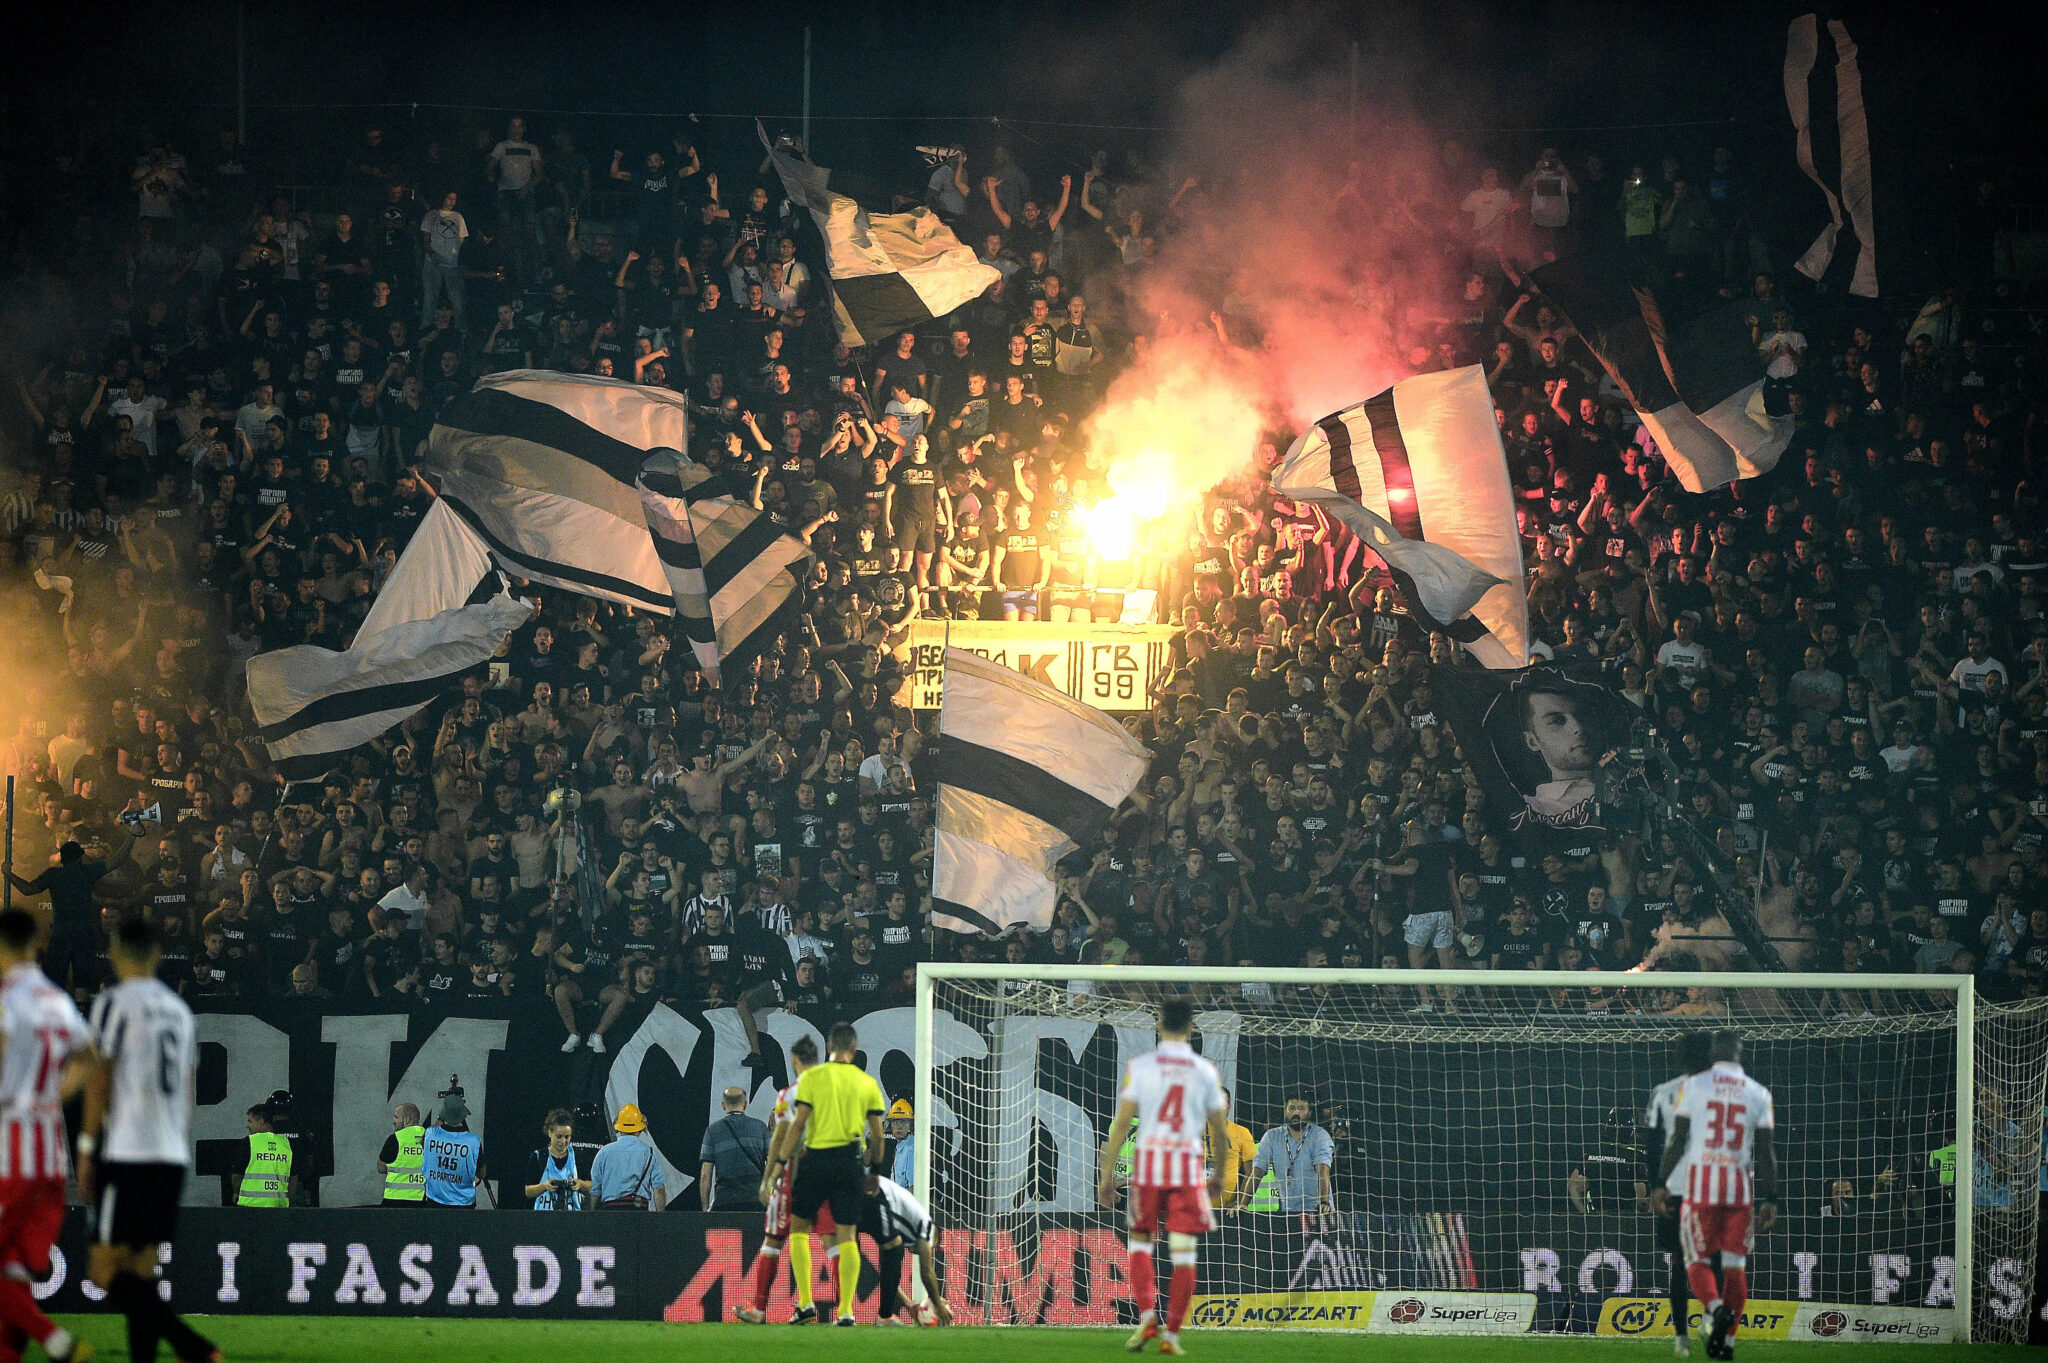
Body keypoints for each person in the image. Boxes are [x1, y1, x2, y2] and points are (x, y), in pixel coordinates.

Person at [78, 917, 217, 1363]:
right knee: (142, 1269)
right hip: (170, 1154)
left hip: (129, 1152)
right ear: (157, 955)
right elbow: (188, 1087)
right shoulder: (179, 1010)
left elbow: (99, 1079)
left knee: (103, 1272)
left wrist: (85, 1149)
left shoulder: (112, 1003)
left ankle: (193, 1347)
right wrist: (179, 1143)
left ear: (115, 956)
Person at [1095, 997, 1227, 1356]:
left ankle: (1147, 1314)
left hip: (1149, 1166)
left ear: (1157, 1025)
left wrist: (1106, 1177)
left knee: (1140, 1243)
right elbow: (1219, 1129)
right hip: (1186, 1168)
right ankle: (1172, 1335)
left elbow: (1121, 1125)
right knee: (1184, 1254)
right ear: (1191, 1028)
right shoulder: (1204, 1070)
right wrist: (1219, 1173)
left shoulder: (1140, 1067)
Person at [0, 907, 93, 1363]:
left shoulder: (5, 998)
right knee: (13, 1272)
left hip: (10, 1154)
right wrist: (49, 1097)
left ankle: (55, 1339)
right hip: (50, 1159)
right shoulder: (55, 998)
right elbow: (87, 1055)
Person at [1655, 1030, 1778, 1362]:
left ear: (1713, 1053)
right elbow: (1766, 1153)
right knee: (1735, 1268)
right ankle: (1727, 1344)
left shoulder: (1693, 1087)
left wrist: (1660, 1182)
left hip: (1701, 1190)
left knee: (1695, 1260)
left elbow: (1678, 1140)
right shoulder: (1759, 1093)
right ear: (1740, 1053)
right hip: (1740, 1191)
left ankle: (1714, 1308)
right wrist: (1773, 1198)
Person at [781, 1021, 887, 1327]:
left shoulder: (813, 1077)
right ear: (854, 1049)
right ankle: (845, 1311)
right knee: (847, 1237)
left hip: (816, 1160)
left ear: (829, 1047)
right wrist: (875, 1171)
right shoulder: (866, 1082)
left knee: (799, 1230)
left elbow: (799, 1124)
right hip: (848, 1160)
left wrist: (780, 1164)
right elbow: (878, 1135)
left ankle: (804, 1303)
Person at [740, 1035, 828, 1325]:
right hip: (831, 1170)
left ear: (794, 1061)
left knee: (775, 1238)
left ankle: (760, 1308)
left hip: (796, 1171)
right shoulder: (836, 1093)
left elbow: (781, 1137)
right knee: (835, 1241)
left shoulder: (789, 1094)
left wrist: (769, 1177)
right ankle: (844, 1313)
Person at [1637, 1032, 1715, 1358]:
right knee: (1700, 1262)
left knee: (1686, 1266)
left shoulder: (1665, 1092)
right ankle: (1690, 1330)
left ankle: (1685, 1334)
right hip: (1699, 1190)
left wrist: (1655, 1185)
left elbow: (1652, 1146)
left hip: (1688, 1190)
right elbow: (1653, 1144)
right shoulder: (1667, 1093)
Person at [861, 1174, 953, 1327]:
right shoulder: (926, 1227)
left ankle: (848, 1314)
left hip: (865, 1189)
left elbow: (886, 1273)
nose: (927, 1250)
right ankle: (884, 1318)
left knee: (884, 1255)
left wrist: (908, 1303)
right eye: (932, 1246)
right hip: (876, 1192)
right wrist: (937, 1304)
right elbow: (927, 1272)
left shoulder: (898, 1230)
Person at [1243, 1094, 1335, 1216]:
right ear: (1285, 1110)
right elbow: (1257, 1172)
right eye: (1291, 1108)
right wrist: (1243, 1204)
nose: (1295, 1113)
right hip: (1288, 1211)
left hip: (1317, 1210)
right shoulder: (1271, 1137)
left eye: (1301, 1108)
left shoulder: (1319, 1135)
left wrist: (1325, 1202)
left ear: (1309, 1112)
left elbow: (1323, 1171)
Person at [699, 1085, 771, 1211]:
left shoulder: (712, 1131)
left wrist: (705, 1208)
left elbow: (706, 1175)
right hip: (756, 1200)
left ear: (723, 1105)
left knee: (724, 1231)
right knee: (755, 1231)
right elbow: (772, 1165)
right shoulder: (761, 1127)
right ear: (745, 1104)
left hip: (725, 1201)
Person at [590, 1102, 666, 1210]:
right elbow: (659, 1189)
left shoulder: (604, 1152)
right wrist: (661, 1218)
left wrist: (592, 1214)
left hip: (611, 1212)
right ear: (640, 1128)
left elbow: (595, 1189)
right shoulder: (649, 1153)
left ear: (619, 1128)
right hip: (639, 1210)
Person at [423, 1091, 486, 1209]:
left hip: (434, 1202)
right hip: (464, 1204)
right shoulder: (474, 1141)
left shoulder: (430, 1134)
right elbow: (482, 1174)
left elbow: (427, 1140)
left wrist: (441, 1116)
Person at [524, 1108, 589, 1211]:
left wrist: (580, 1184)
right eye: (559, 1137)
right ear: (550, 1132)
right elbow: (528, 1191)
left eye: (567, 1137)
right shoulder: (538, 1157)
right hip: (544, 1218)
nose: (563, 1141)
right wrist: (545, 1186)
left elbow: (591, 1185)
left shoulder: (577, 1156)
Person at [236, 1102, 295, 1207]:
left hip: (250, 1207)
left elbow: (236, 1177)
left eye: (250, 1121)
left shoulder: (249, 1142)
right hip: (279, 1208)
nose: (247, 1125)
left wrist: (240, 1194)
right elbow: (293, 1178)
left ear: (261, 1121)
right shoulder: (286, 1144)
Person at [1209, 1088, 1258, 1211]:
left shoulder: (1241, 1133)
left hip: (1226, 1211)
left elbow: (1251, 1172)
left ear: (1229, 1107)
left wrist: (1240, 1202)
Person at [376, 1102, 426, 1206]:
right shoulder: (429, 1137)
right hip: (421, 1201)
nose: (393, 1121)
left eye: (396, 1117)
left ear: (406, 1119)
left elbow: (381, 1168)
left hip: (394, 1200)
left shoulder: (395, 1139)